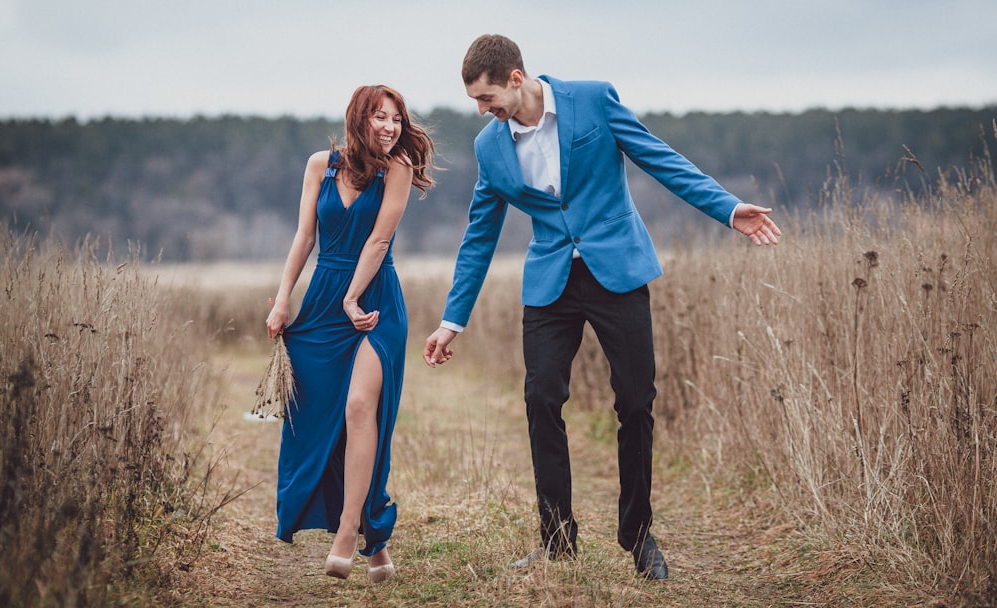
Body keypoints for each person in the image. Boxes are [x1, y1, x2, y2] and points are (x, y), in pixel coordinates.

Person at [423, 34, 781, 580]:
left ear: (516, 79)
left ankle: (638, 535)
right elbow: (479, 234)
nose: (481, 110)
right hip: (550, 283)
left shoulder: (592, 100)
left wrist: (728, 209)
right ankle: (558, 538)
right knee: (542, 399)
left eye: (486, 97)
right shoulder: (488, 146)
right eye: (475, 100)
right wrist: (453, 320)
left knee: (635, 403)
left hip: (618, 271)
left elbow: (658, 158)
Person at [266, 84, 435, 583]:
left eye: (397, 120)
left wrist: (353, 297)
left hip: (375, 300)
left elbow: (380, 238)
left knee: (361, 408)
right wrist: (282, 300)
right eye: (380, 117)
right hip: (321, 303)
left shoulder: (398, 167)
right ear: (357, 119)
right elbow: (304, 236)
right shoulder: (321, 164)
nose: (390, 128)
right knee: (324, 422)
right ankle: (374, 538)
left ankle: (346, 532)